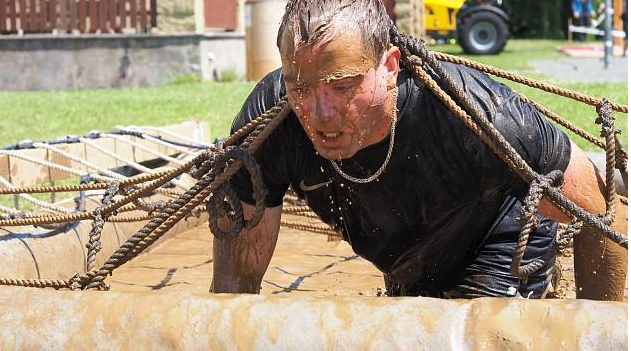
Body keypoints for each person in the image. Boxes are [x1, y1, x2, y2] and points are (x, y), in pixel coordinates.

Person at [211, 0, 627, 300]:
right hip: (406, 262)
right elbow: (232, 293)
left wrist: (593, 328)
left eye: (343, 87)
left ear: (390, 66)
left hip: (498, 238)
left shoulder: (478, 115)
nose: (320, 114)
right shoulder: (267, 127)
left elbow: (603, 212)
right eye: (299, 87)